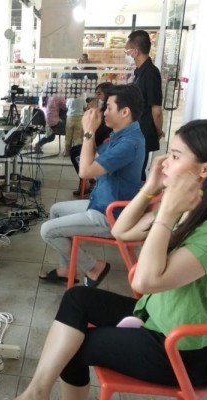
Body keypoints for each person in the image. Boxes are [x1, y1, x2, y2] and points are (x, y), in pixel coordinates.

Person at [17, 119, 207, 400]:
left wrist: (167, 213)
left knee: (71, 350)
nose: (164, 162)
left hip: (182, 350)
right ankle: (36, 393)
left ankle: (35, 394)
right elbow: (120, 231)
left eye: (175, 156)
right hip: (157, 317)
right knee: (77, 298)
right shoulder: (189, 206)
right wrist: (151, 187)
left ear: (206, 169)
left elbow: (145, 282)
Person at [38, 84, 145, 286]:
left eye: (109, 108)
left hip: (110, 215)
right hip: (101, 203)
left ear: (125, 112)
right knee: (55, 210)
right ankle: (65, 269)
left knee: (47, 230)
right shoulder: (122, 134)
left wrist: (88, 132)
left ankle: (94, 266)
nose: (104, 113)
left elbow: (85, 172)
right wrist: (90, 135)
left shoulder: (128, 144)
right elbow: (94, 158)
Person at [126, 30, 164, 180]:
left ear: (135, 52)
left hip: (143, 131)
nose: (127, 54)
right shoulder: (140, 72)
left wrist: (158, 131)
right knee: (133, 171)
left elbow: (156, 110)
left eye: (127, 50)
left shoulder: (151, 74)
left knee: (137, 172)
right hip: (135, 130)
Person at [70, 82, 114, 196]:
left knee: (76, 153)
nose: (96, 97)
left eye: (99, 94)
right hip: (97, 143)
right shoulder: (102, 110)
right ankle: (87, 181)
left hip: (102, 148)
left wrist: (92, 119)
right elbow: (90, 134)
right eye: (96, 94)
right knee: (74, 150)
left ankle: (86, 182)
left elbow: (91, 134)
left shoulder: (107, 113)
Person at [63, 85, 86, 157]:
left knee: (68, 136)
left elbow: (66, 107)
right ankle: (77, 152)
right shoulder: (82, 99)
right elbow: (85, 107)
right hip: (79, 119)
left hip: (70, 118)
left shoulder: (69, 99)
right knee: (77, 136)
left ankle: (66, 152)